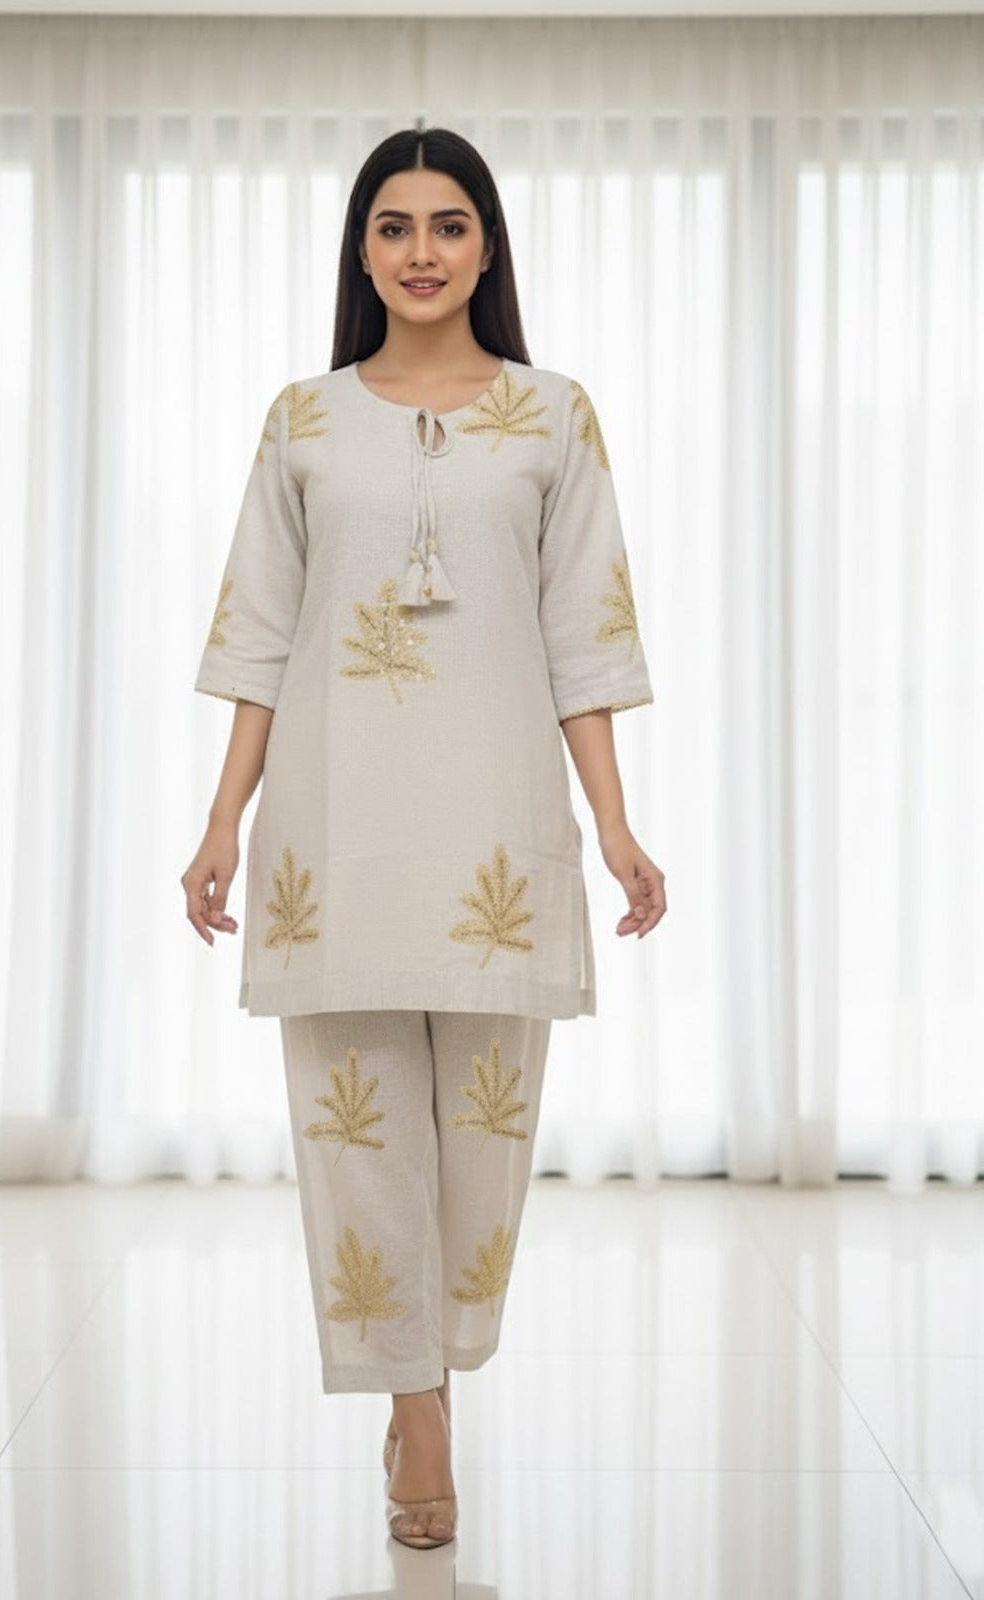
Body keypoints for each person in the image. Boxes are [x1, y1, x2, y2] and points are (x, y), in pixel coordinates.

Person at [181, 122, 667, 1551]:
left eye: (448, 224)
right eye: (393, 226)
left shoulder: (554, 416)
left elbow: (585, 632)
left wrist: (616, 825)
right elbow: (259, 632)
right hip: (334, 824)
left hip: (495, 827)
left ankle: (436, 1364)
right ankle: (418, 1409)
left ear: (488, 246)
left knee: (484, 1137)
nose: (421, 251)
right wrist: (220, 822)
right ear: (362, 250)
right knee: (357, 1136)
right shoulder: (304, 419)